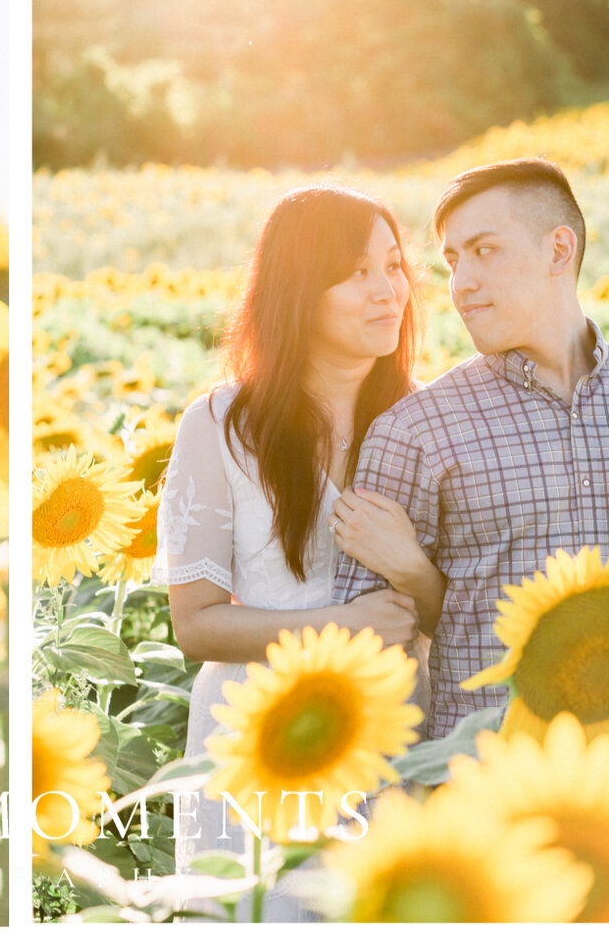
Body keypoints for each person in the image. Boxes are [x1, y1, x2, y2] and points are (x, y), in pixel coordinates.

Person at [329, 158, 609, 742]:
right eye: (452, 260)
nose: (461, 282)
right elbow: (368, 651)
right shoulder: (415, 431)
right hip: (487, 790)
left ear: (558, 250)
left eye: (484, 250)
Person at [155, 184, 434, 920]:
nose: (388, 292)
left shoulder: (431, 426)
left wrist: (409, 567)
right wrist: (347, 626)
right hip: (260, 736)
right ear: (297, 290)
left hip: (392, 732)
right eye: (356, 272)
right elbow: (197, 624)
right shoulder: (221, 425)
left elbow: (469, 607)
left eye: (395, 265)